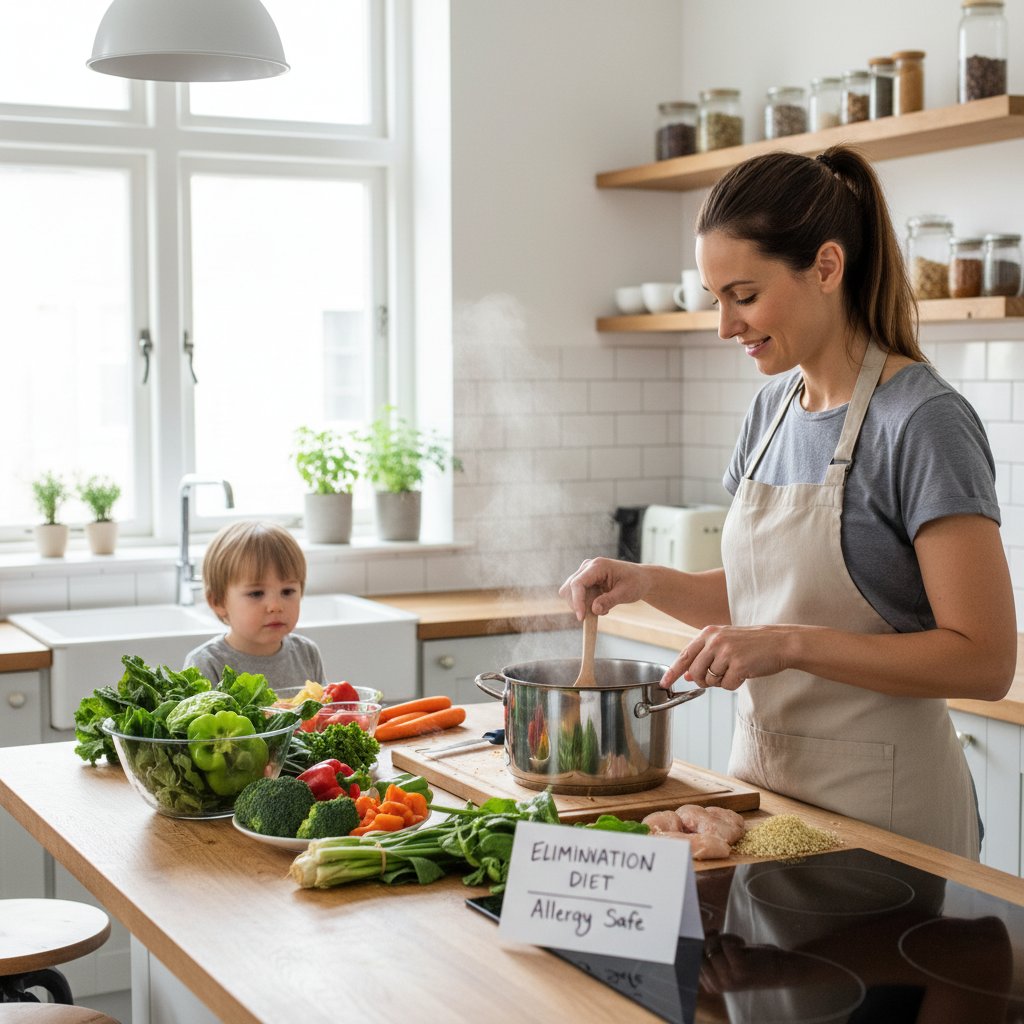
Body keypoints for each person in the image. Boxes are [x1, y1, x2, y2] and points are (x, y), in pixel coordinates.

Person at [561, 145, 1016, 860]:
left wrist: (790, 644)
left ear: (827, 268)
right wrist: (645, 583)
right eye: (716, 300)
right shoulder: (771, 410)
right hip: (766, 806)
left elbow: (985, 661)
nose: (725, 326)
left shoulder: (922, 420)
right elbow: (755, 597)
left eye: (744, 295)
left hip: (890, 821)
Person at [184, 520, 326, 689]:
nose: (275, 605)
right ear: (218, 601)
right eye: (256, 593)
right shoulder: (206, 664)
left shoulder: (307, 654)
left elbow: (325, 713)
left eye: (287, 591)